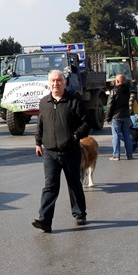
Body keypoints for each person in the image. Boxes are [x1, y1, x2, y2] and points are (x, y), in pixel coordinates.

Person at [32, 69, 90, 232]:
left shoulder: (74, 101)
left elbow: (87, 123)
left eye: (59, 81)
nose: (55, 83)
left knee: (74, 184)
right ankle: (45, 220)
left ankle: (80, 214)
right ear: (48, 83)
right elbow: (40, 124)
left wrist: (75, 136)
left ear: (64, 83)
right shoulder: (44, 102)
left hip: (70, 151)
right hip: (50, 153)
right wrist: (38, 142)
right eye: (53, 81)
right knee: (50, 186)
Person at [105, 73, 134, 160]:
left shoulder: (114, 91)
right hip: (126, 115)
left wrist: (107, 117)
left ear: (117, 81)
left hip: (116, 116)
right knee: (127, 135)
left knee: (116, 135)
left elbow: (110, 105)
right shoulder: (127, 90)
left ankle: (116, 155)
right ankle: (129, 155)